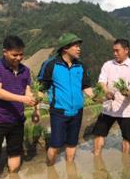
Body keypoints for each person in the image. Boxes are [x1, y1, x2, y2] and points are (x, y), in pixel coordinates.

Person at [0, 35, 37, 179]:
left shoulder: (25, 71)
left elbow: (27, 92)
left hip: (17, 120)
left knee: (15, 153)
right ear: (5, 52)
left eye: (21, 55)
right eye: (14, 55)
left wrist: (33, 100)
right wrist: (22, 99)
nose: (18, 58)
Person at [37, 33, 93, 165]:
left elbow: (86, 87)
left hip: (78, 111)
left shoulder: (80, 66)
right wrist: (36, 108)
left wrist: (99, 97)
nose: (79, 49)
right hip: (59, 112)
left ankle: (70, 169)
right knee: (55, 145)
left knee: (72, 143)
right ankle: (50, 167)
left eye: (79, 46)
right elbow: (41, 88)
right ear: (65, 48)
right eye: (76, 46)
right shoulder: (50, 65)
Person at [92, 39, 130, 155]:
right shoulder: (107, 65)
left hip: (126, 109)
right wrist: (106, 92)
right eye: (113, 51)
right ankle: (97, 157)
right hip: (108, 107)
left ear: (126, 50)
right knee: (99, 133)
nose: (115, 53)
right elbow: (102, 81)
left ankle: (126, 162)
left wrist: (127, 92)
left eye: (117, 51)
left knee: (127, 137)